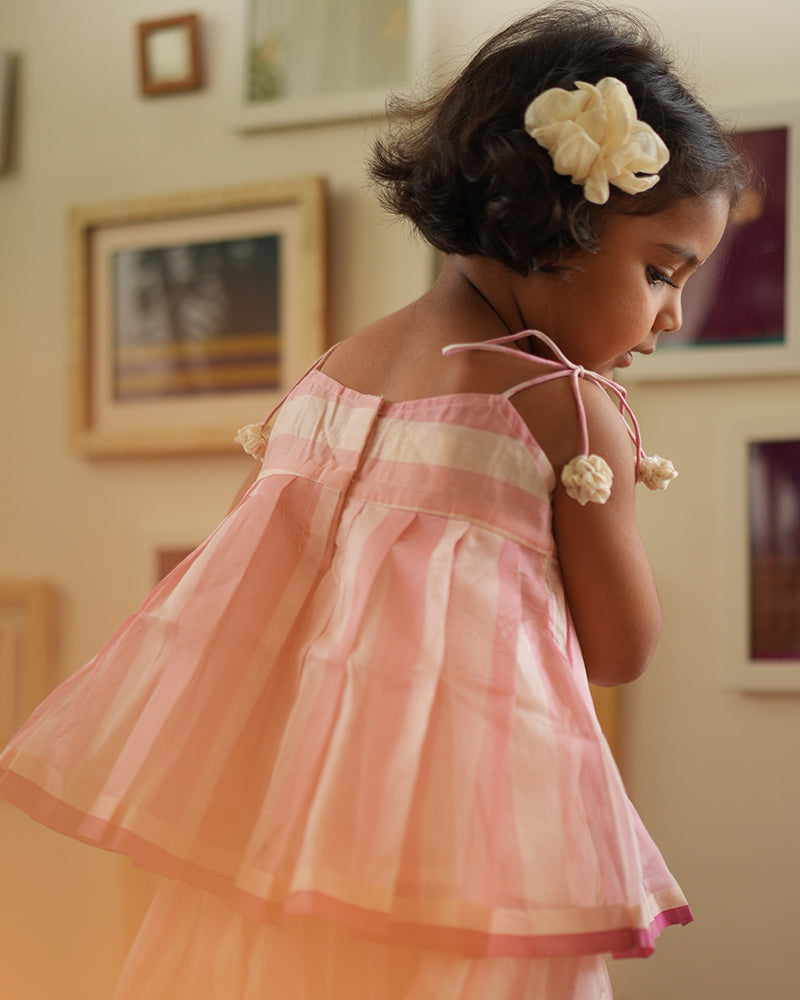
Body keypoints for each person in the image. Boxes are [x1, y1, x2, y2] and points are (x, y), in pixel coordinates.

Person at [0, 3, 746, 998]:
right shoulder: (557, 405)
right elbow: (620, 649)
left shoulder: (326, 378)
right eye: (659, 272)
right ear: (553, 225)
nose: (670, 317)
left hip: (273, 842)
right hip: (451, 857)